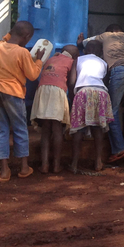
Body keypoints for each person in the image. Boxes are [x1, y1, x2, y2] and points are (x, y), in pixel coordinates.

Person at [77, 24, 124, 162]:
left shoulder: (106, 35)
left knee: (112, 111)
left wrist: (80, 42)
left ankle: (120, 148)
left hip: (118, 70)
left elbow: (87, 43)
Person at [0, 21, 45, 182]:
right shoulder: (22, 53)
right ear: (26, 37)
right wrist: (39, 60)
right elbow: (32, 75)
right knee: (20, 129)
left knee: (0, 130)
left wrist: (11, 33)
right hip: (13, 93)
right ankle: (24, 168)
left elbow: (4, 39)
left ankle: (5, 170)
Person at [31, 44, 79, 174]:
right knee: (57, 129)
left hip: (42, 90)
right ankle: (56, 165)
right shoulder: (72, 61)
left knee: (46, 129)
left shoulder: (51, 59)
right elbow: (72, 81)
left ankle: (45, 165)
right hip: (57, 92)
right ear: (75, 56)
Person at [69, 41, 113, 173]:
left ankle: (74, 163)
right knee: (98, 127)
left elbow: (72, 82)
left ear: (85, 51)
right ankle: (98, 161)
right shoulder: (104, 63)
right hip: (101, 93)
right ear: (100, 52)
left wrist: (73, 98)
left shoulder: (78, 59)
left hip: (83, 92)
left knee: (78, 128)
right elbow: (105, 82)